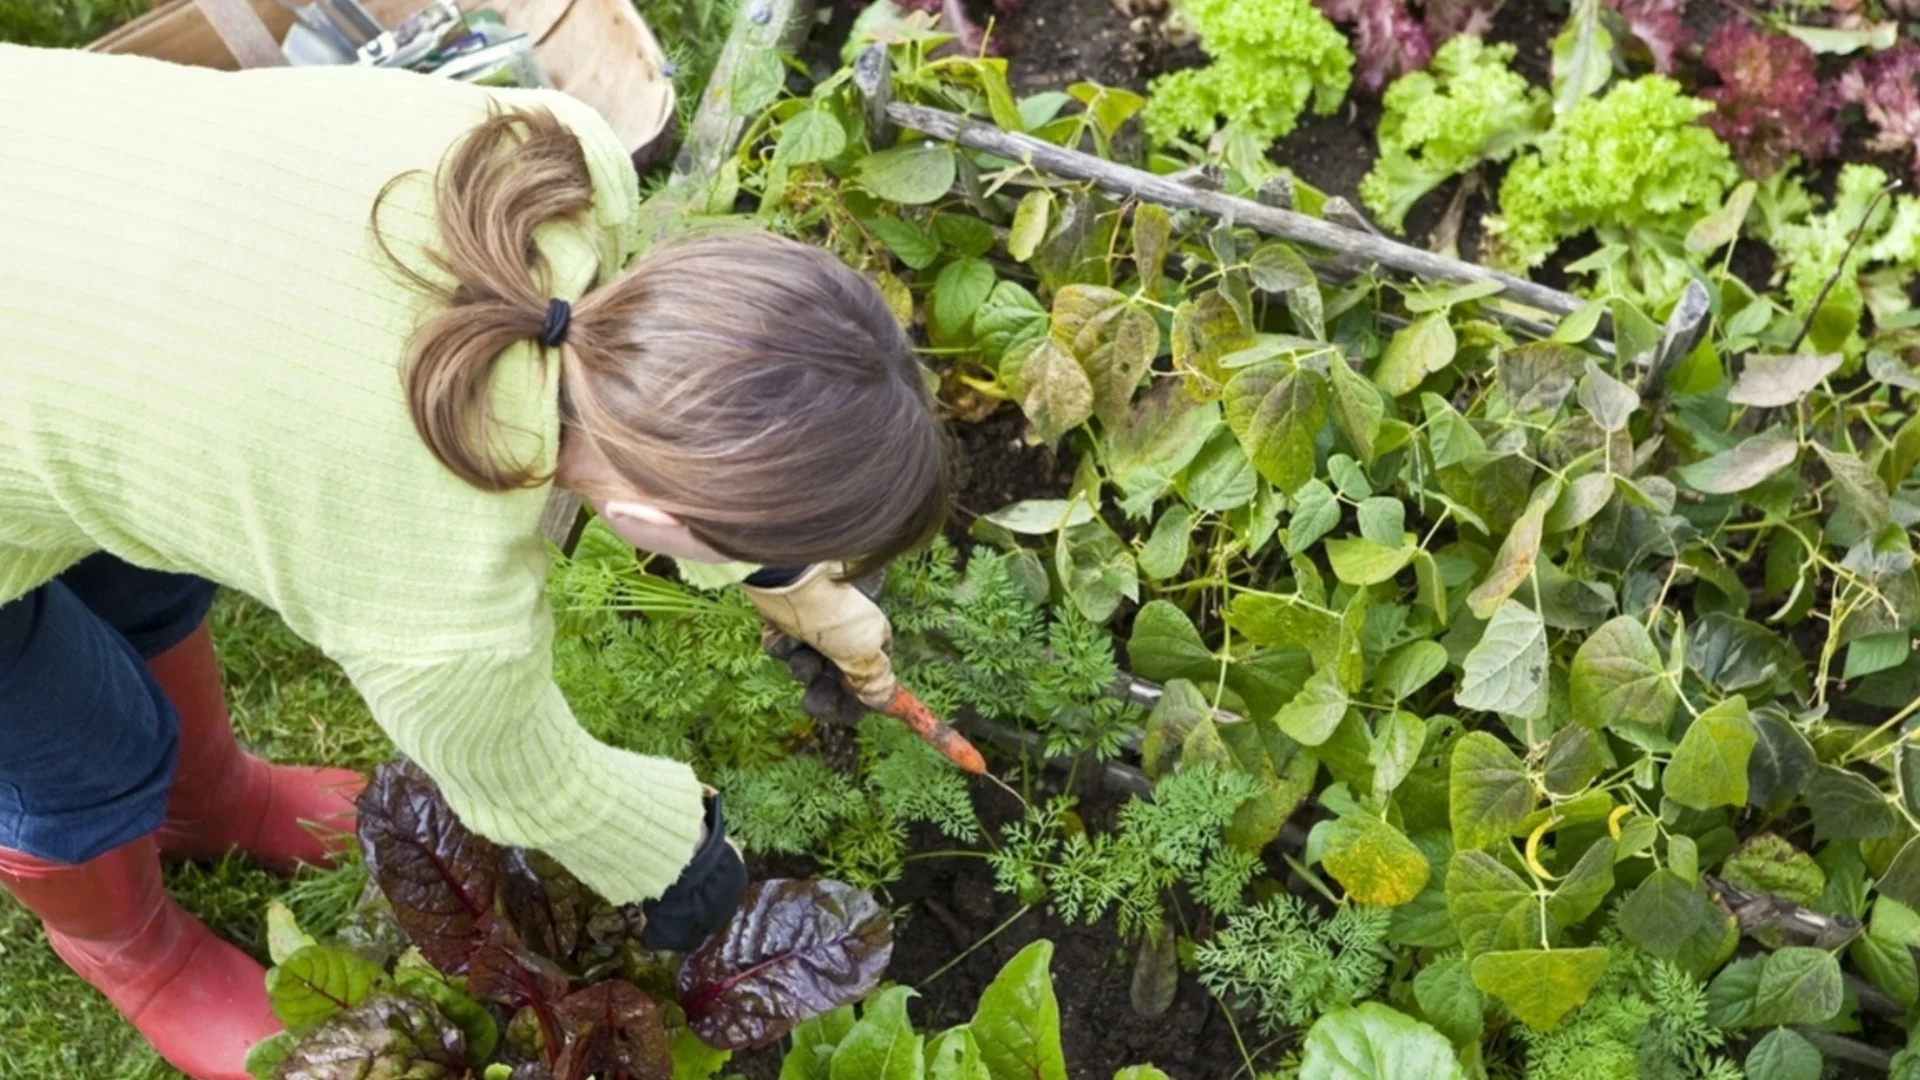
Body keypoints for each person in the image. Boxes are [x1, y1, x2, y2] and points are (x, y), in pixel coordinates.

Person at [0, 41, 947, 1080]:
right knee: (83, 747)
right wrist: (689, 863)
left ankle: (209, 798)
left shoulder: (554, 157)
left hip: (46, 180)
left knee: (147, 565)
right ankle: (136, 954)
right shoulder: (439, 599)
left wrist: (792, 580)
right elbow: (530, 786)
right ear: (645, 513)